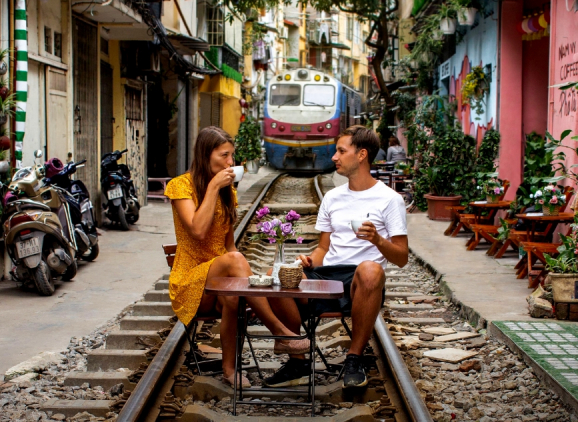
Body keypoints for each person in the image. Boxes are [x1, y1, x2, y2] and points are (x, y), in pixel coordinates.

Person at [265, 125, 409, 389]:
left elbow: (401, 257)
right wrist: (308, 261)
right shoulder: (332, 197)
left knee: (370, 269)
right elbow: (323, 249)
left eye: (341, 151)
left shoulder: (389, 200)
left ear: (362, 155)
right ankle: (298, 361)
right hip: (326, 277)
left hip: (360, 281)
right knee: (274, 276)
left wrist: (378, 240)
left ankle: (354, 359)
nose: (334, 157)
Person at [164, 126, 309, 388]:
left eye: (232, 156)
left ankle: (229, 371)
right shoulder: (181, 186)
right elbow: (197, 230)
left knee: (234, 291)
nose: (230, 162)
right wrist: (212, 187)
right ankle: (279, 332)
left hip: (221, 280)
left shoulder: (228, 192)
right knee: (235, 263)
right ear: (205, 154)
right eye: (224, 155)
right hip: (191, 283)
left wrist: (249, 281)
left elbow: (229, 245)